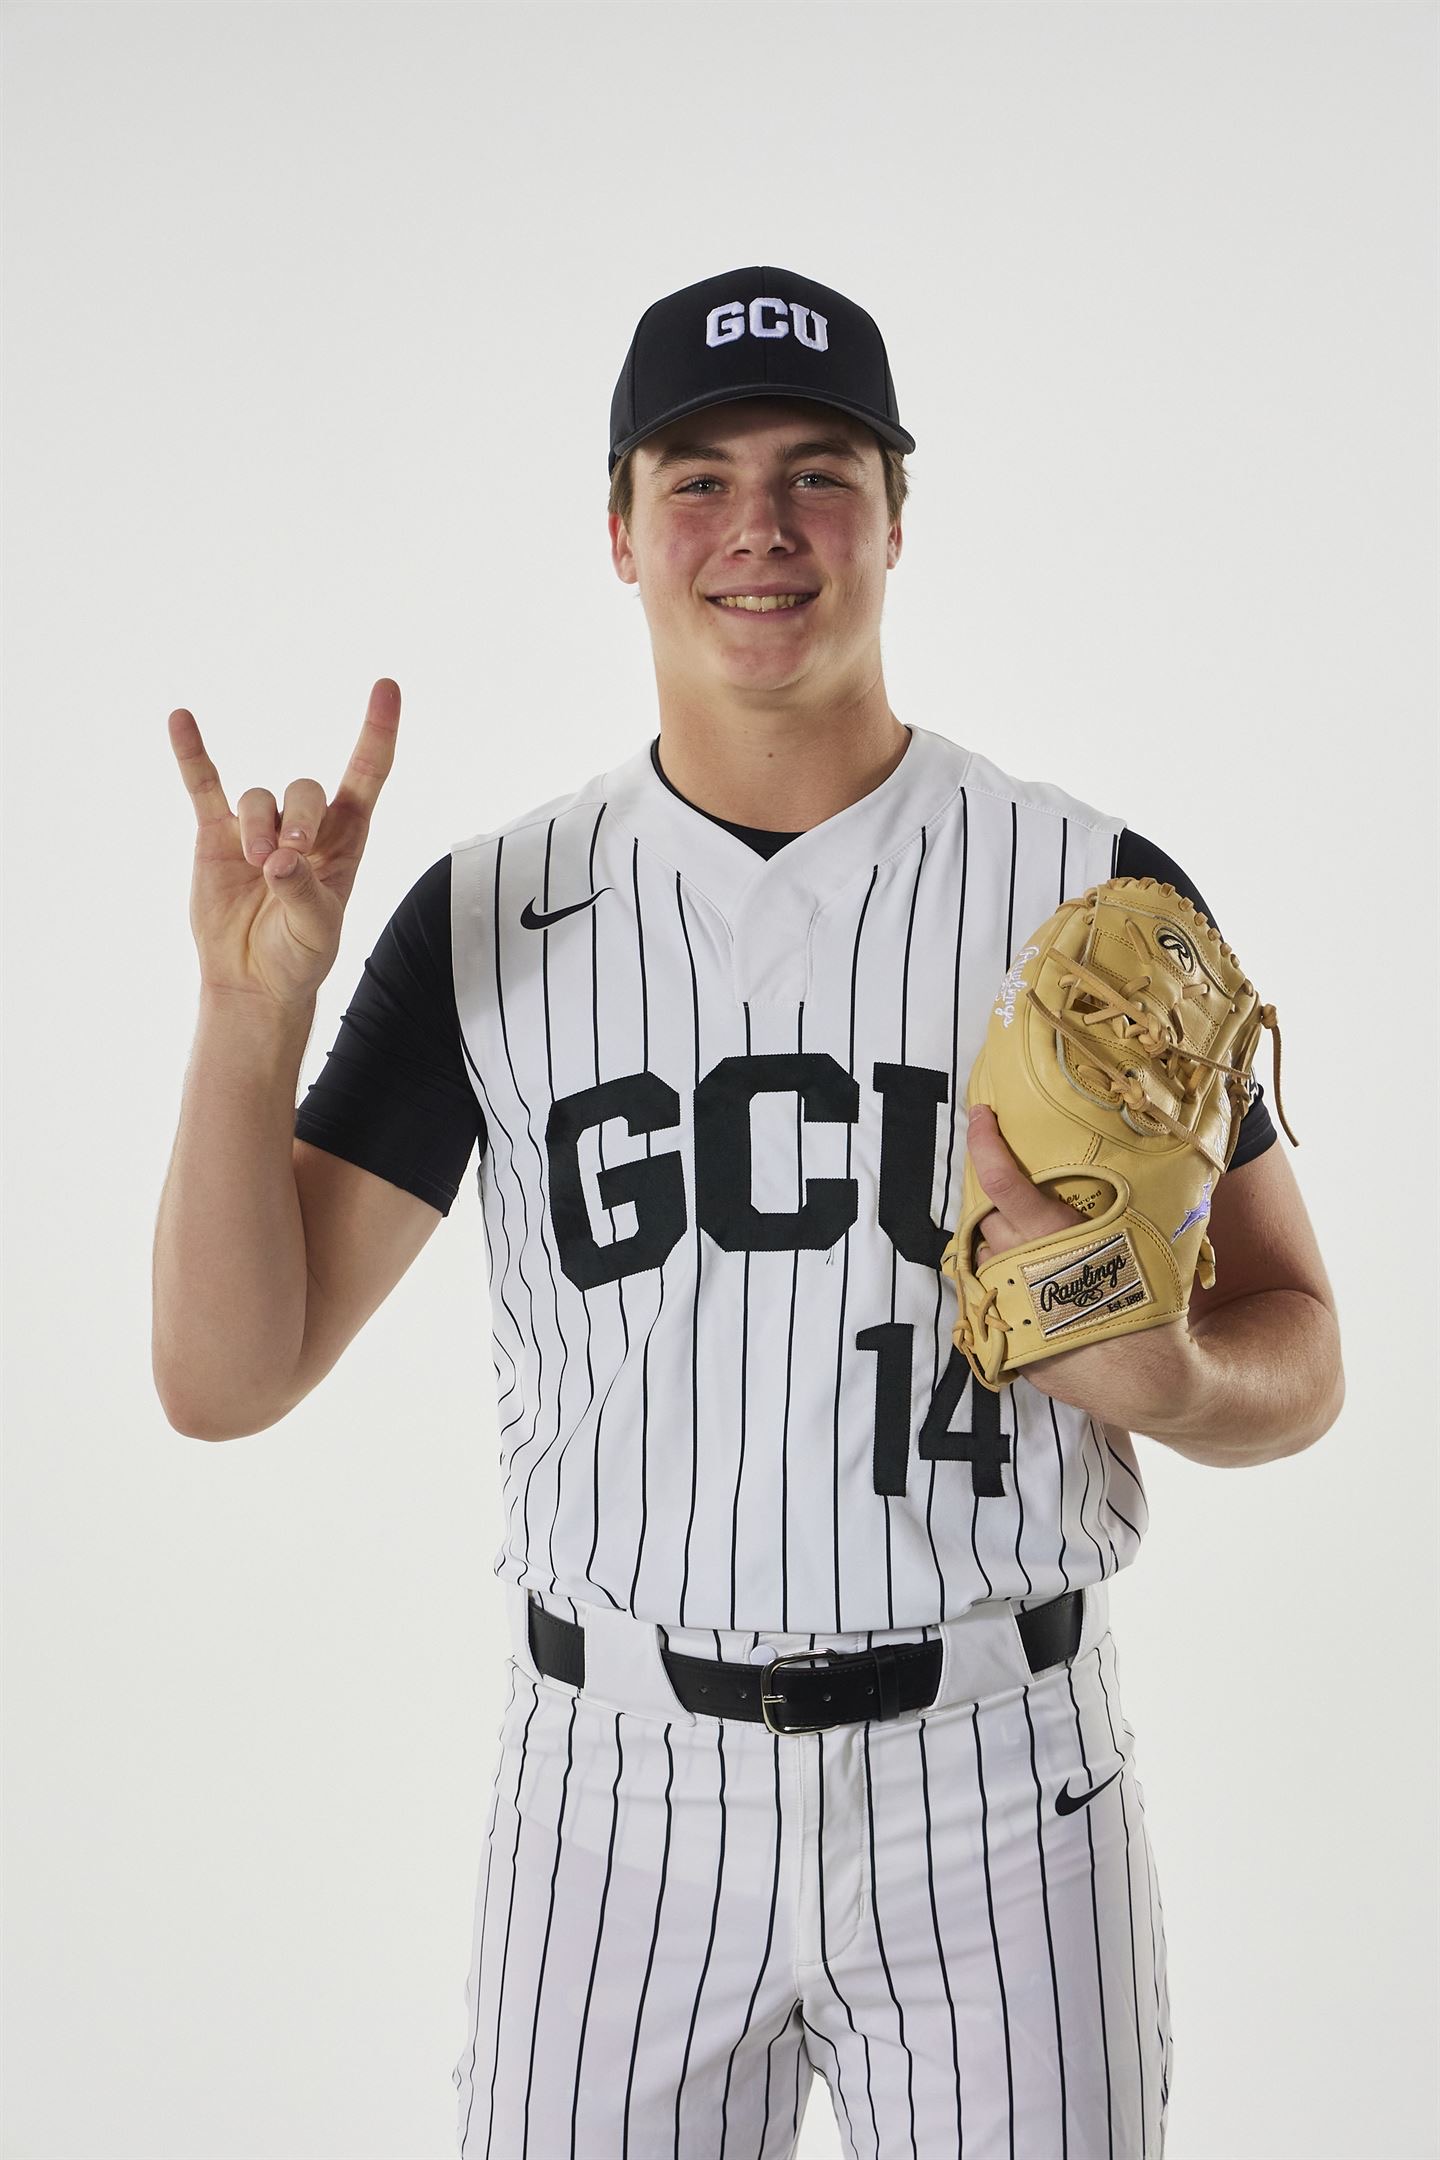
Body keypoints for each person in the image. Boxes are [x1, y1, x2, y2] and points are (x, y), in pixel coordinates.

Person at [155, 266, 1344, 2159]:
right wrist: (246, 1021)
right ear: (618, 529)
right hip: (613, 1792)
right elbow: (227, 1377)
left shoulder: (1090, 880)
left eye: (817, 472)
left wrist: (1180, 1380)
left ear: (897, 511)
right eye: (698, 479)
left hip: (1002, 1787)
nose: (760, 532)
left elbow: (1304, 1347)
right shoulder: (484, 913)